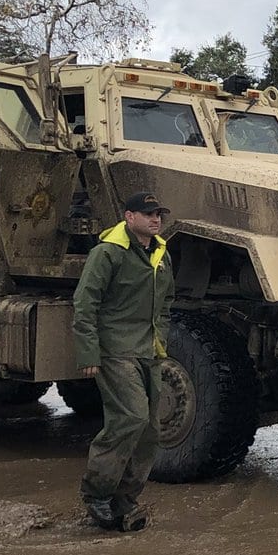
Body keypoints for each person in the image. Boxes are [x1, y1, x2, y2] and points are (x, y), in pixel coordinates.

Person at [72, 191, 175, 531]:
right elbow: (86, 304)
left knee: (150, 429)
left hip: (149, 350)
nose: (155, 219)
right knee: (131, 416)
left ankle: (124, 501)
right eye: (148, 213)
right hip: (115, 349)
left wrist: (160, 337)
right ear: (129, 217)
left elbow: (166, 301)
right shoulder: (107, 253)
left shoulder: (160, 253)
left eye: (158, 213)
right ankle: (97, 494)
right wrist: (88, 352)